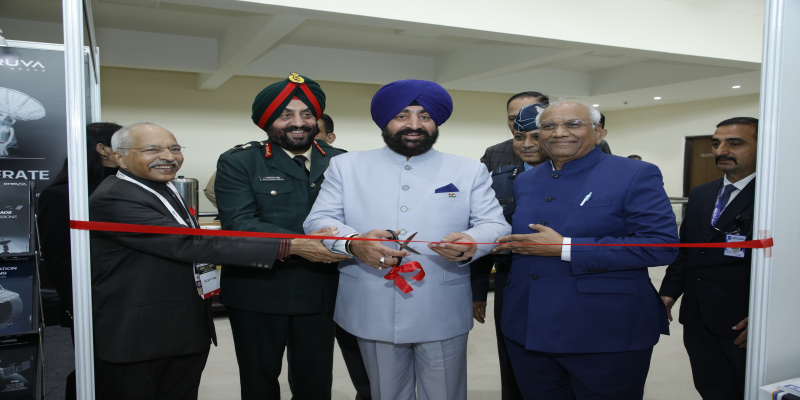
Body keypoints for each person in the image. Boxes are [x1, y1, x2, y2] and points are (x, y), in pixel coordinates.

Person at [89, 122, 330, 400]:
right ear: (119, 158)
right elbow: (188, 243)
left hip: (181, 327)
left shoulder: (159, 187)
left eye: (174, 148)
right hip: (143, 335)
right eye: (152, 150)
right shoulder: (115, 196)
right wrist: (290, 245)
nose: (168, 156)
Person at [304, 79, 510, 400]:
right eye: (402, 115)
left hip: (442, 305)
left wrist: (472, 241)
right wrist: (354, 243)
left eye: (425, 116)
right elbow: (318, 222)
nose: (414, 124)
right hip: (371, 302)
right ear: (383, 120)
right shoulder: (346, 166)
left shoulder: (469, 170)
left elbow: (495, 224)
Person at [494, 100, 679, 399]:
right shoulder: (526, 181)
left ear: (599, 131)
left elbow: (660, 245)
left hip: (605, 331)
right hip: (528, 328)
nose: (559, 132)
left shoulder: (634, 173)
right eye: (549, 126)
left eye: (573, 124)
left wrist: (565, 248)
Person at [214, 73, 349, 400]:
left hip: (321, 291)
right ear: (266, 121)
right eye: (285, 114)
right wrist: (302, 245)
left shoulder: (341, 160)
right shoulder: (240, 161)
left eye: (307, 114)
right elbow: (240, 223)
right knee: (259, 383)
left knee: (315, 383)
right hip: (258, 291)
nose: (298, 123)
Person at [659, 117, 758, 400]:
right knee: (712, 389)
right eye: (716, 144)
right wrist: (667, 295)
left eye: (734, 143)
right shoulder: (702, 194)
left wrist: (766, 317)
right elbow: (686, 251)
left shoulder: (777, 195)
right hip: (698, 318)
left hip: (744, 323)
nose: (721, 150)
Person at [38, 122, 122, 400]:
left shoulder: (133, 188)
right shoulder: (62, 195)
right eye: (122, 143)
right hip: (93, 302)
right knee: (94, 372)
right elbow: (60, 259)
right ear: (102, 149)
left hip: (133, 298)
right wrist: (78, 306)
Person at [471, 102, 549, 400]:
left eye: (535, 136)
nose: (526, 144)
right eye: (519, 137)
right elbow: (484, 237)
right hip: (510, 277)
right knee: (512, 356)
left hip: (561, 275)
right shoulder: (498, 180)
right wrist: (478, 291)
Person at [480, 91, 549, 171]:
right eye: (513, 118)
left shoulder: (559, 149)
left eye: (528, 116)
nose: (520, 122)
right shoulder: (494, 154)